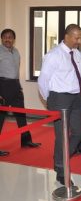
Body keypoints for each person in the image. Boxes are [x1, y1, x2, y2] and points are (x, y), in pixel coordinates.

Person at [38, 24, 81, 185]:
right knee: (62, 136)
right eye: (76, 37)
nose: (79, 41)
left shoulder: (77, 53)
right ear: (67, 36)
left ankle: (61, 158)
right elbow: (43, 79)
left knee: (79, 132)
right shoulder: (54, 55)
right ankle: (60, 167)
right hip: (59, 98)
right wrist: (49, 100)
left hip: (76, 97)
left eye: (80, 37)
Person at [0, 28, 41, 157]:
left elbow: (15, 71)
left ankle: (26, 141)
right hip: (2, 86)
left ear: (14, 39)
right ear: (1, 39)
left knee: (21, 115)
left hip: (15, 86)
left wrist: (19, 86)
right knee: (0, 118)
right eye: (5, 37)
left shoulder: (16, 52)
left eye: (10, 37)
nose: (8, 39)